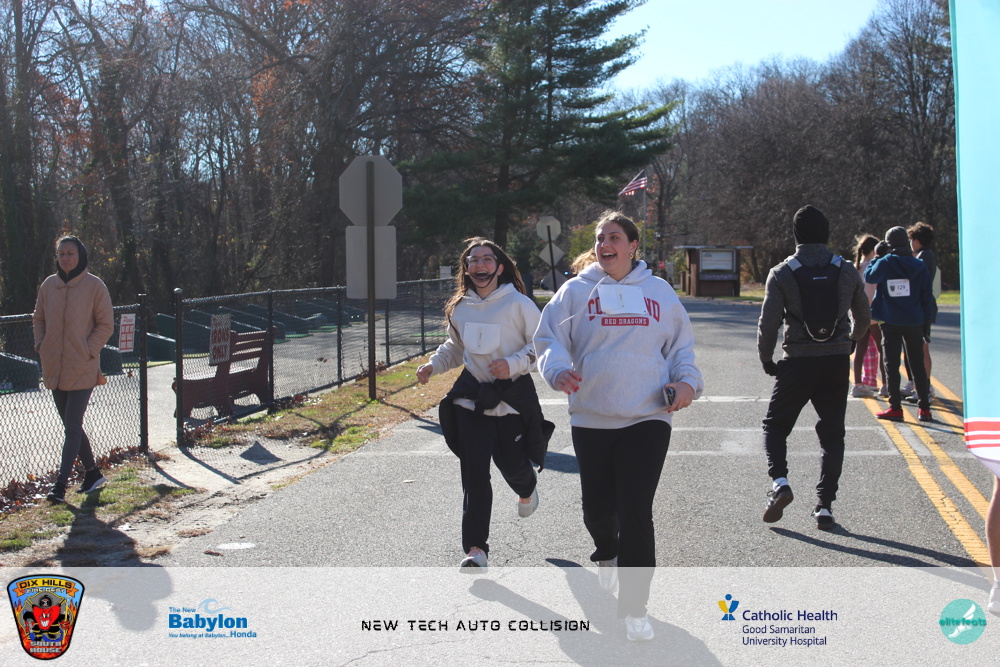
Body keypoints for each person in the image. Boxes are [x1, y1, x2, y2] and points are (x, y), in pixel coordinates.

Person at [534, 210, 702, 642]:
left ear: (632, 246)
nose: (605, 244)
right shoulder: (576, 291)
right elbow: (548, 339)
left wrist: (687, 382)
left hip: (648, 416)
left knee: (636, 511)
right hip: (592, 417)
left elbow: (680, 347)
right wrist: (557, 370)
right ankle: (606, 550)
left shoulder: (658, 291)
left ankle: (635, 610)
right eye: (599, 238)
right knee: (597, 508)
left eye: (614, 237)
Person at [416, 238, 548, 573]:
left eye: (487, 259)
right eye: (473, 260)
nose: (479, 265)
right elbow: (455, 347)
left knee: (512, 466)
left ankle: (527, 488)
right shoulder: (460, 307)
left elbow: (542, 346)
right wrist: (433, 365)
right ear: (467, 269)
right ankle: (476, 549)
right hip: (471, 399)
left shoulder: (519, 304)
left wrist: (513, 364)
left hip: (511, 399)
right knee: (474, 474)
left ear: (499, 267)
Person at [758, 205, 870, 531]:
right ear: (826, 232)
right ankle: (824, 506)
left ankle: (780, 482)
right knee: (833, 434)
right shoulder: (846, 270)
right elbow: (863, 317)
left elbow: (769, 323)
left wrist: (767, 358)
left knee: (775, 426)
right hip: (835, 360)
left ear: (796, 235)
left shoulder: (782, 273)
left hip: (798, 361)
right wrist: (851, 341)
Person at [32, 236, 114, 503]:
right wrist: (41, 345)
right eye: (61, 253)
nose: (66, 258)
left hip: (82, 367)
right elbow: (38, 318)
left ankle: (59, 485)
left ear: (80, 256)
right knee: (72, 426)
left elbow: (106, 324)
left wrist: (88, 349)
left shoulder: (95, 286)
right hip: (54, 367)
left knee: (72, 426)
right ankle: (92, 474)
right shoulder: (48, 285)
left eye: (70, 253)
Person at [864, 226, 934, 422]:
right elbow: (927, 296)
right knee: (917, 364)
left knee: (892, 365)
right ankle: (924, 409)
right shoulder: (919, 264)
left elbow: (869, 277)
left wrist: (877, 257)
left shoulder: (885, 262)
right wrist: (926, 324)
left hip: (890, 320)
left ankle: (895, 408)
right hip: (915, 321)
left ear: (889, 244)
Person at [902, 221, 938, 400]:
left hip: (923, 307)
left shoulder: (923, 257)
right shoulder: (926, 255)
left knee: (922, 349)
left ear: (916, 240)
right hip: (923, 305)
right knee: (917, 348)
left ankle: (926, 386)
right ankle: (918, 383)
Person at [851, 235, 887, 397]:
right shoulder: (875, 267)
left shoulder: (855, 268)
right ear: (874, 250)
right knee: (882, 349)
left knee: (860, 350)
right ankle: (885, 384)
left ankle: (858, 384)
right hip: (875, 313)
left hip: (859, 314)